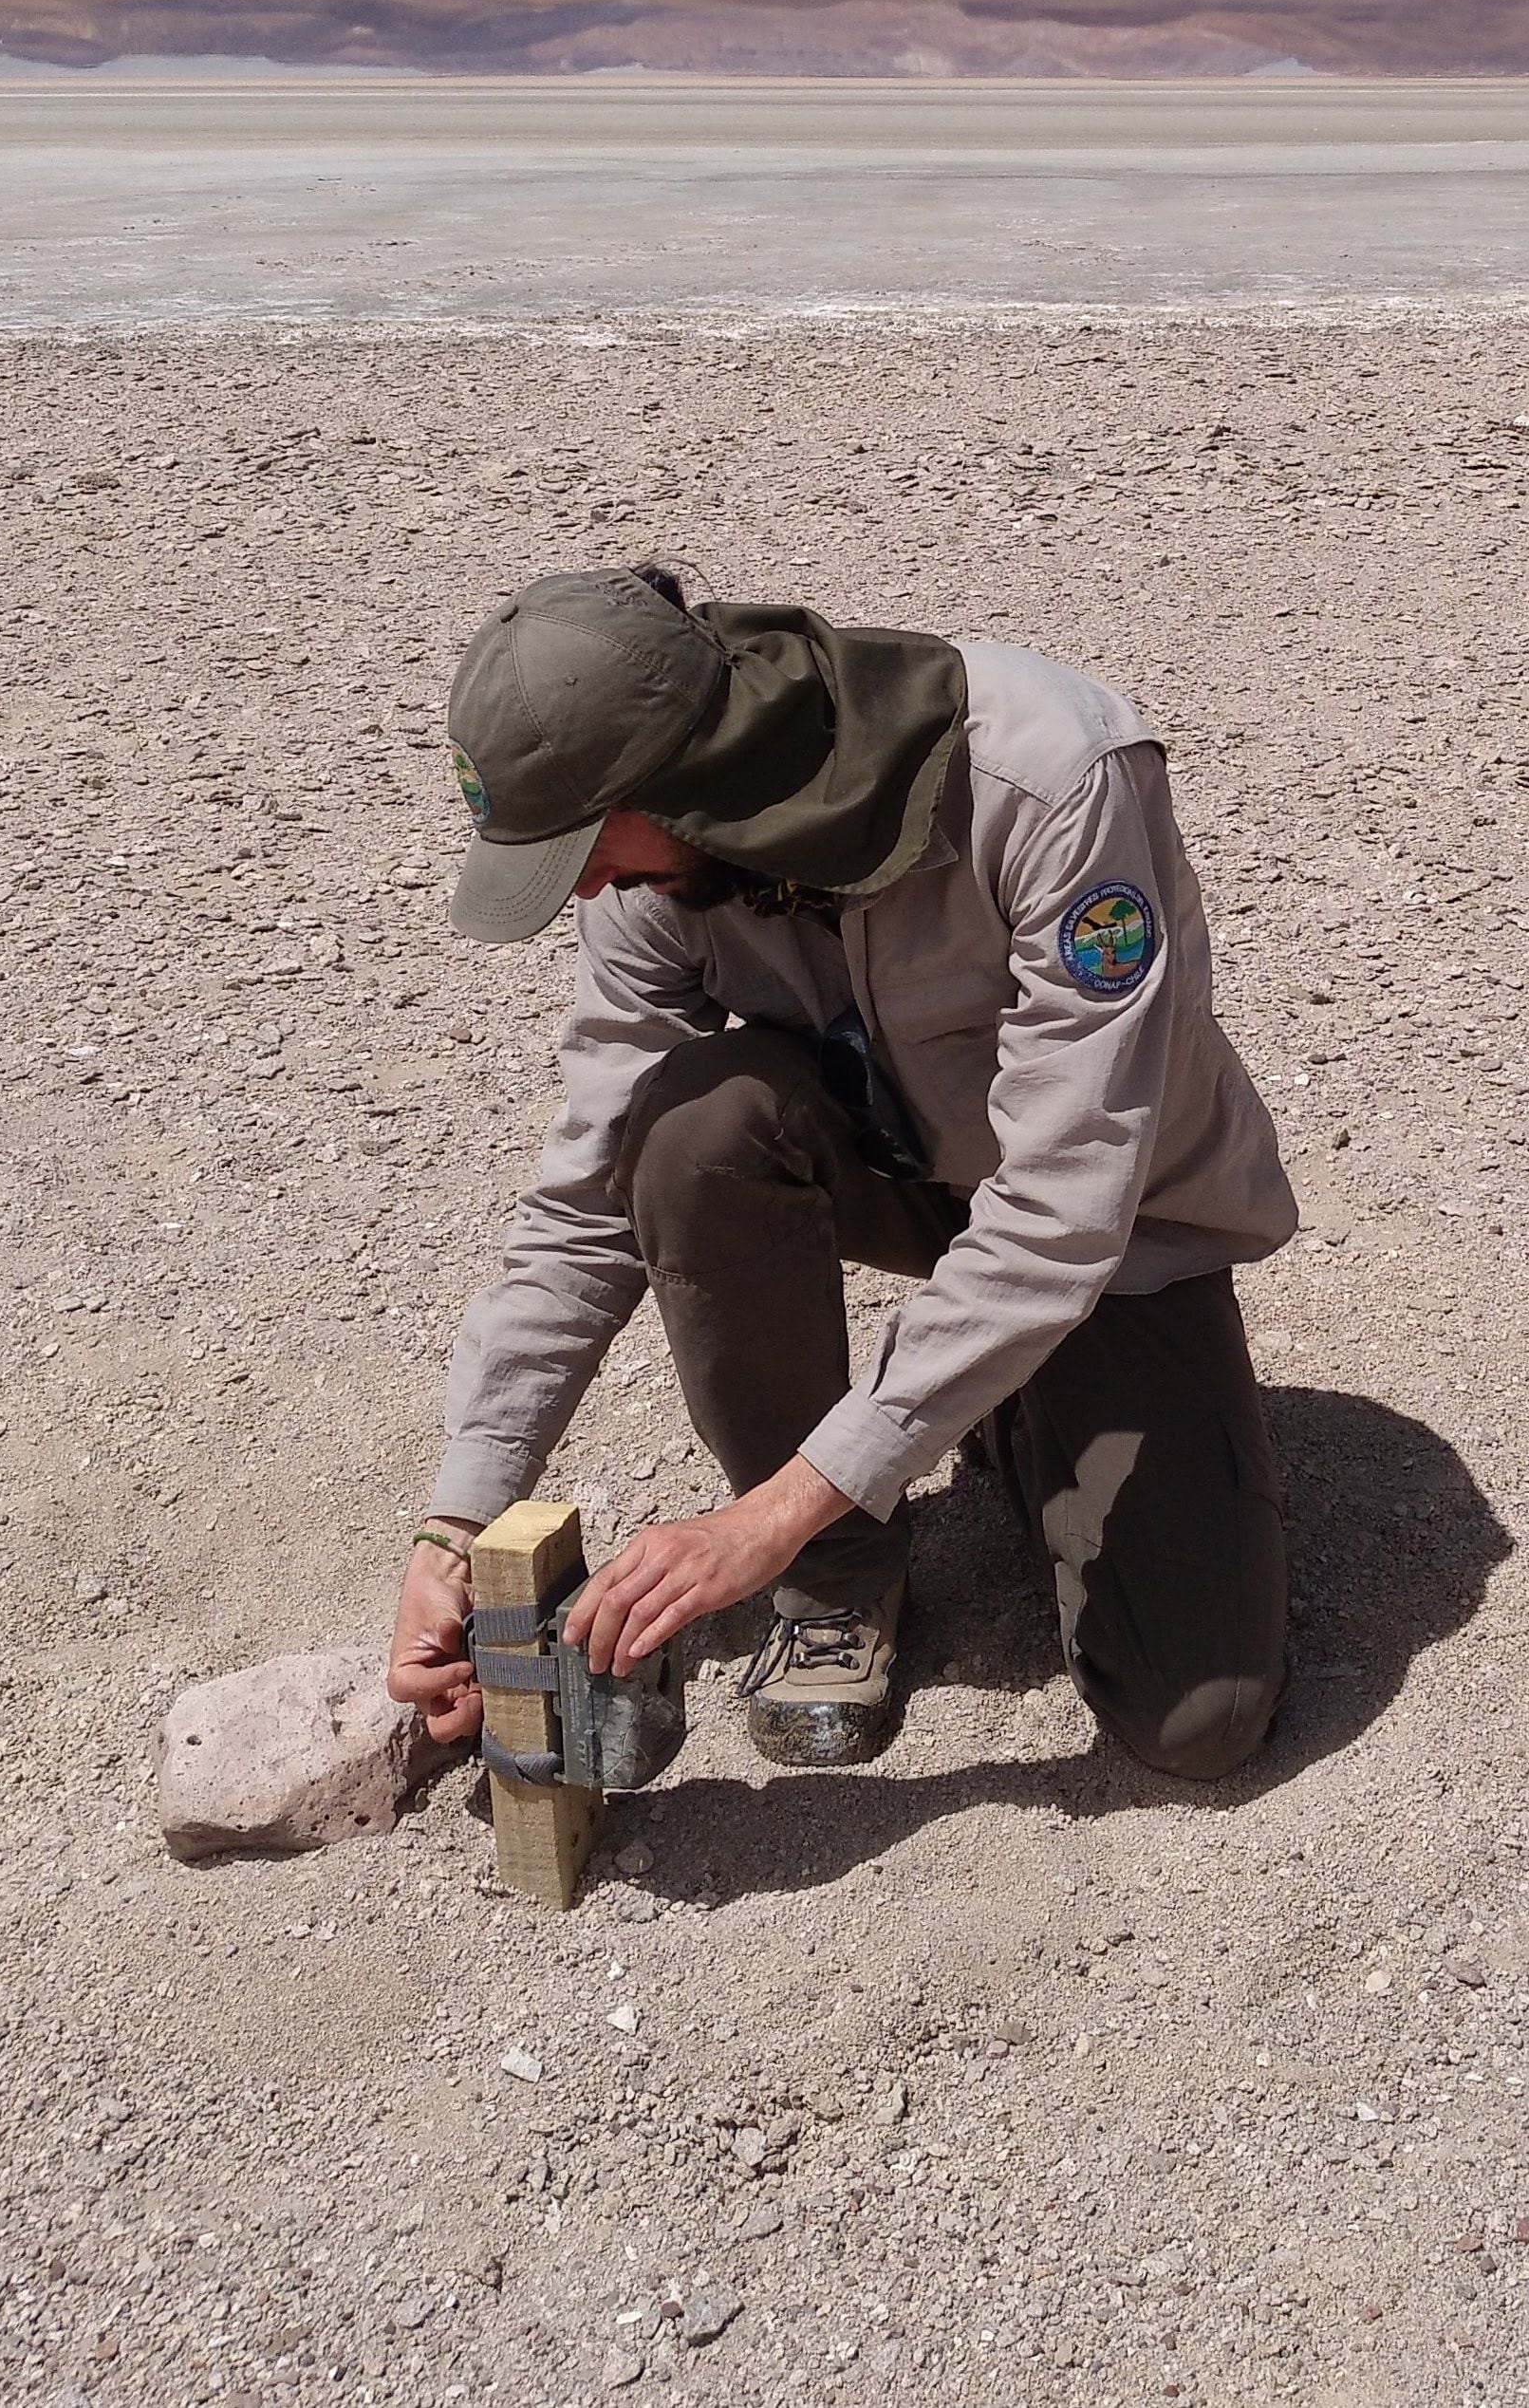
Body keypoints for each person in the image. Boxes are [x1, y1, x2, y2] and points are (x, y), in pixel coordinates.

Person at [382, 566, 1297, 1778]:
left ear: (689, 775)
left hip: (1112, 1225)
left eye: (588, 847)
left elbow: (1067, 1204)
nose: (586, 888)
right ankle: (838, 1577)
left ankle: (998, 1410)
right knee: (687, 1135)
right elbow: (587, 1197)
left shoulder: (1050, 775)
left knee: (1196, 1721)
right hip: (900, 1171)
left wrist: (765, 1511)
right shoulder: (656, 871)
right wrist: (459, 1519)